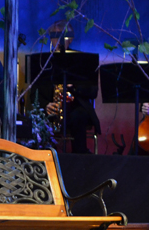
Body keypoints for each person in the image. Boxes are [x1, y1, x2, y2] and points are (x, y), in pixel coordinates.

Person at [32, 22, 101, 154]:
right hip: (52, 109)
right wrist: (46, 105)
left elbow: (93, 91)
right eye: (55, 36)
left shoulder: (82, 60)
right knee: (39, 119)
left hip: (76, 109)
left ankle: (79, 157)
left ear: (71, 39)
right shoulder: (43, 61)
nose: (59, 41)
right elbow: (34, 93)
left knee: (79, 116)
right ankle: (47, 158)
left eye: (63, 36)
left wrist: (74, 86)